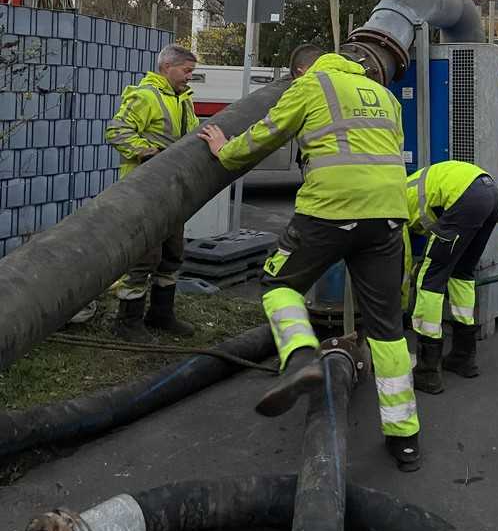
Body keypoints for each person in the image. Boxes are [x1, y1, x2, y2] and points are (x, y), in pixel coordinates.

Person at [198, 43, 421, 472]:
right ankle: (405, 438)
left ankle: (301, 359)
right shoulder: (387, 97)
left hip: (330, 213)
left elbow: (268, 133)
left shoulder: (312, 83)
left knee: (279, 285)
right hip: (390, 214)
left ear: (301, 69)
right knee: (387, 329)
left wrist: (225, 149)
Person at [105, 44, 199, 340]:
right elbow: (117, 131)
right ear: (167, 67)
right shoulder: (146, 96)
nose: (189, 78)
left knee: (172, 253)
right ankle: (127, 322)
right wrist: (146, 152)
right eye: (186, 71)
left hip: (173, 191)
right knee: (144, 256)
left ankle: (161, 314)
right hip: (143, 192)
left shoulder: (183, 100)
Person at [404, 160, 498, 393]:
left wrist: (401, 304)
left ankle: (428, 372)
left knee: (428, 278)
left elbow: (404, 258)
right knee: (462, 274)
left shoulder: (394, 207)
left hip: (465, 197)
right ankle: (463, 357)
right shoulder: (410, 185)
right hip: (490, 193)